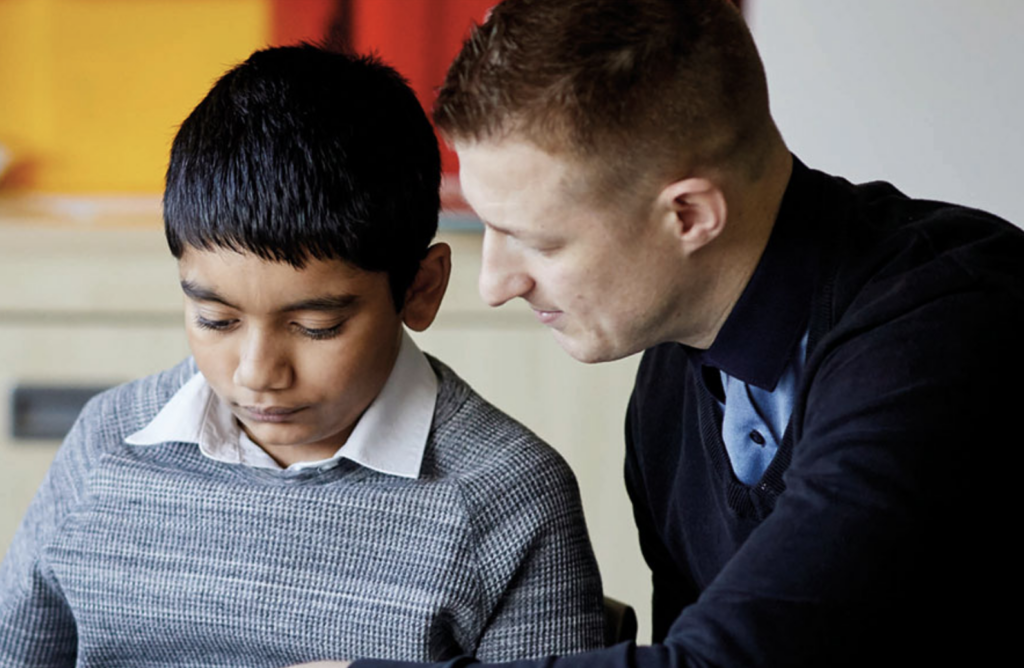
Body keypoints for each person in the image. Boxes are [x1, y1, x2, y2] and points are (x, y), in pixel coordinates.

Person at [300, 1, 1023, 667]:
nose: (494, 284)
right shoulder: (668, 388)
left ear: (690, 216)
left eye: (538, 242)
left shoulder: (951, 321)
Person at [0, 45, 605, 666]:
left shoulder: (503, 495)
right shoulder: (108, 443)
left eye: (316, 326)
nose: (258, 373)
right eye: (216, 319)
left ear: (421, 289)